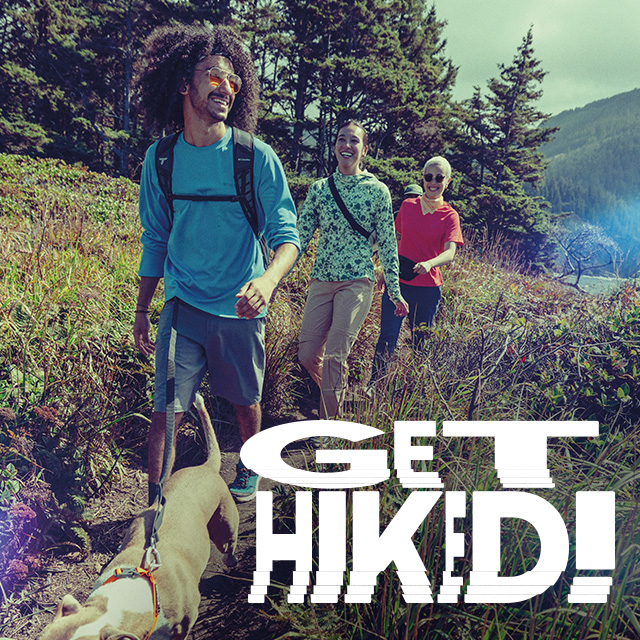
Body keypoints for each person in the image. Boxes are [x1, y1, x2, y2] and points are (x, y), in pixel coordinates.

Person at [132, 23, 300, 504]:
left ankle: (248, 469)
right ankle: (154, 507)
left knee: (245, 402)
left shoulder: (254, 157)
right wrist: (144, 309)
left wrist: (266, 282)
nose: (225, 86)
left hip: (241, 309)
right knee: (166, 411)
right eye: (213, 75)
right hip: (182, 307)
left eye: (232, 79)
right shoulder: (160, 160)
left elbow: (287, 238)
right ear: (185, 83)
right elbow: (155, 237)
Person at [297, 120, 408, 419]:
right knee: (307, 354)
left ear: (365, 150)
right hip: (322, 279)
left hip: (357, 281)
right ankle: (336, 396)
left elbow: (387, 244)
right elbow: (300, 235)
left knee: (335, 355)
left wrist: (395, 291)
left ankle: (329, 429)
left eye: (354, 141)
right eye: (341, 139)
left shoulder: (377, 191)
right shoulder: (320, 189)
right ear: (334, 146)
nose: (347, 145)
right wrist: (273, 277)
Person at [369, 156, 463, 384]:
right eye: (428, 177)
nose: (433, 182)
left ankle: (413, 389)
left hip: (428, 289)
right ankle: (375, 385)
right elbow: (394, 241)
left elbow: (450, 253)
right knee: (387, 336)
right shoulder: (408, 207)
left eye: (439, 178)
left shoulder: (450, 216)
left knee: (420, 340)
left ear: (447, 181)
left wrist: (430, 263)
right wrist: (385, 271)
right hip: (399, 284)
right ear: (422, 178)